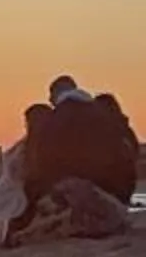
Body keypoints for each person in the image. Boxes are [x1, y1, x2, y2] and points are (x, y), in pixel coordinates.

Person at [21, 75, 138, 215]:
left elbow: (44, 159)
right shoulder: (106, 112)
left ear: (55, 94)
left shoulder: (56, 118)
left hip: (80, 187)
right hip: (118, 190)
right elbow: (131, 146)